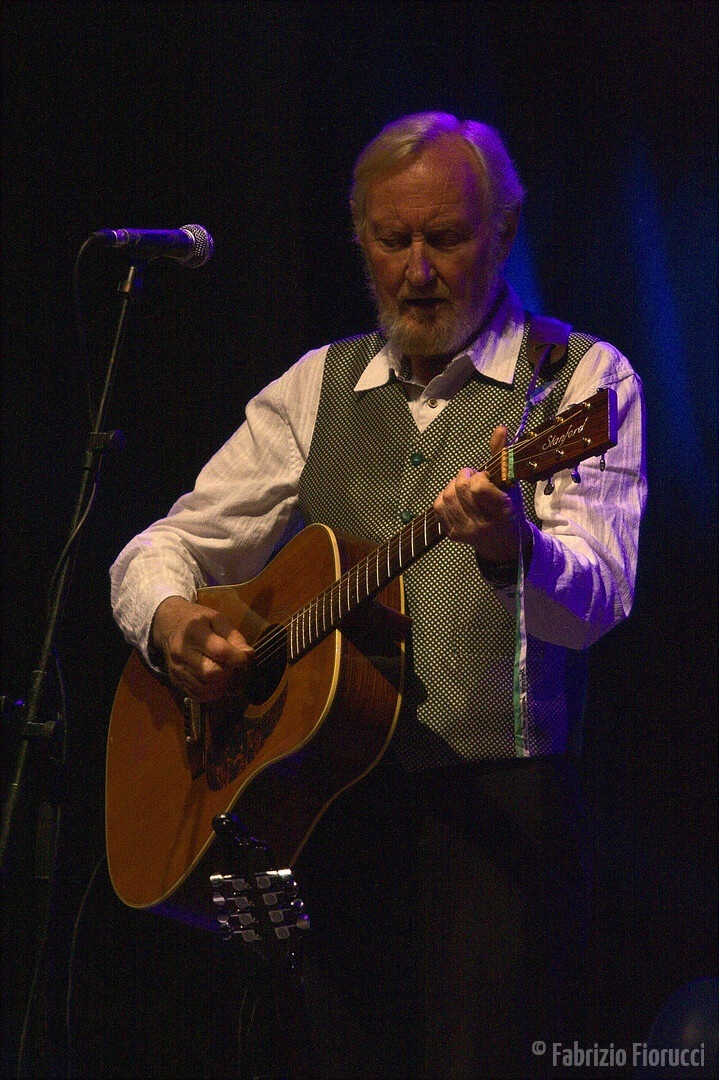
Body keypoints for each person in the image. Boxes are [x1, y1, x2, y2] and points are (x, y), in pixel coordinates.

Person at [110, 112, 646, 1077]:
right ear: (359, 239)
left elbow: (596, 604)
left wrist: (512, 546)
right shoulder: (315, 386)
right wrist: (169, 618)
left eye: (445, 237)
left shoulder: (578, 382)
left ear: (504, 232)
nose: (417, 269)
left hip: (495, 814)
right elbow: (166, 544)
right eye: (391, 239)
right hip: (324, 809)